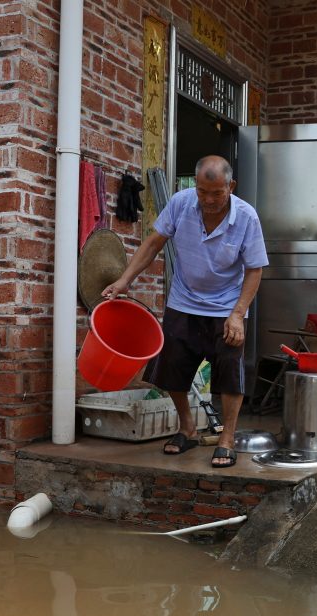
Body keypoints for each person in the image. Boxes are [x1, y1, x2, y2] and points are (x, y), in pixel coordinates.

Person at [101, 155, 267, 468]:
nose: (209, 200)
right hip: (184, 300)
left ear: (231, 186)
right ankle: (187, 428)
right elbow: (153, 244)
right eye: (202, 192)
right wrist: (124, 280)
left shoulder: (247, 217)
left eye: (217, 193)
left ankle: (227, 438)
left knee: (229, 371)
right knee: (172, 367)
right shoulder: (181, 203)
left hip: (227, 306)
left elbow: (255, 269)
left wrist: (237, 314)